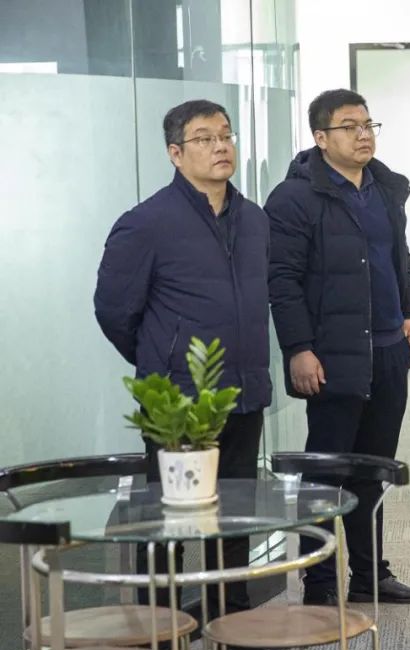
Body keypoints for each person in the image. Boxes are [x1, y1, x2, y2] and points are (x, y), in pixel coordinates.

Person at [94, 99, 271, 616]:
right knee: (169, 523)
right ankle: (160, 630)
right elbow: (113, 310)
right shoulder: (146, 223)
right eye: (204, 138)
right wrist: (163, 360)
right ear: (175, 153)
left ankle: (232, 622)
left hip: (244, 391)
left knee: (235, 517)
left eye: (226, 135)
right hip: (179, 406)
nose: (221, 146)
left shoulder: (255, 220)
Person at [265, 89, 410, 606]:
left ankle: (369, 575)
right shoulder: (293, 199)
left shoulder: (384, 187)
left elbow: (400, 258)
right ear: (321, 137)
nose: (364, 135)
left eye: (368, 125)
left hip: (389, 350)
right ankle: (318, 583)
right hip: (332, 354)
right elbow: (281, 281)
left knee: (374, 470)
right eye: (349, 126)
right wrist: (298, 348)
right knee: (325, 473)